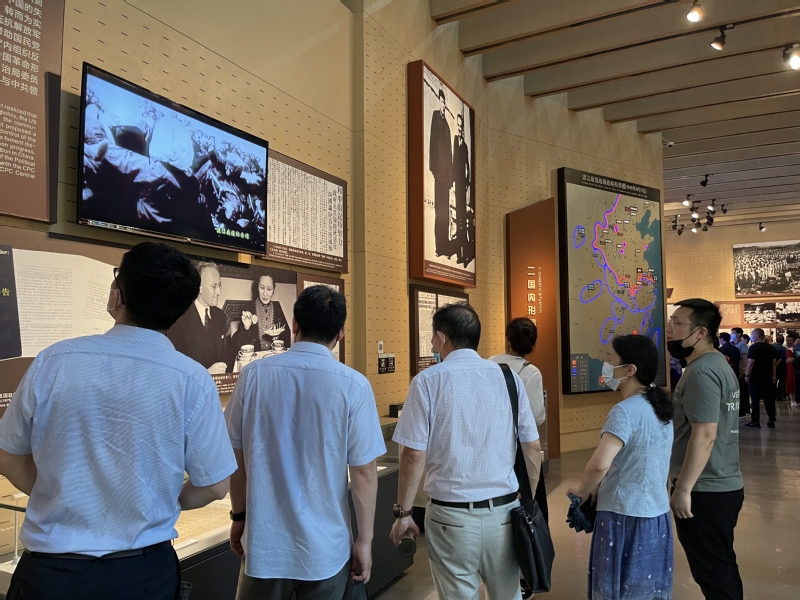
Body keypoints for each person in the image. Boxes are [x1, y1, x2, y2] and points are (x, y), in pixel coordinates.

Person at [0, 242, 237, 599]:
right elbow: (216, 487)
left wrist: (59, 495)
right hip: (142, 573)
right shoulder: (192, 379)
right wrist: (165, 502)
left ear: (116, 296)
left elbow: (8, 458)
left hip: (51, 573)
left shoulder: (54, 360)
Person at [225, 285, 386, 599]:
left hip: (264, 546)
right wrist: (364, 541)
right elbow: (364, 473)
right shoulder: (354, 385)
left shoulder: (253, 376)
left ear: (294, 324)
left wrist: (239, 517)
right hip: (327, 551)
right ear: (341, 333)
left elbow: (237, 457)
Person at [390, 303, 541, 600]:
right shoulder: (509, 378)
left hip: (450, 516)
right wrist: (529, 500)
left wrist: (404, 513)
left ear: (441, 338)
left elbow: (413, 455)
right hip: (505, 513)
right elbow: (532, 447)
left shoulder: (427, 381)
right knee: (508, 594)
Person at [568, 335, 674, 600]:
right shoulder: (659, 407)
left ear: (629, 370)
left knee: (617, 586)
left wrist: (582, 491)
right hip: (657, 513)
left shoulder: (625, 411)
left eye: (610, 359)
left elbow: (600, 464)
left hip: (622, 514)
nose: (605, 364)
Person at [668, 299, 744, 600]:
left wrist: (683, 489)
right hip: (720, 482)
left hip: (706, 489)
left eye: (677, 323)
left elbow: (705, 434)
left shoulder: (701, 371)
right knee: (719, 567)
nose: (670, 329)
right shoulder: (715, 364)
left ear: (700, 332)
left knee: (714, 574)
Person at [489, 317, 548, 521]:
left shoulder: (490, 363)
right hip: (519, 448)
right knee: (528, 507)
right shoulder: (531, 372)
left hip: (490, 443)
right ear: (533, 344)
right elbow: (537, 417)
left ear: (507, 340)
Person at [168, 261, 231, 374]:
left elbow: (224, 358)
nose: (218, 292)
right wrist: (206, 373)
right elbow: (176, 369)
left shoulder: (220, 316)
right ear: (199, 287)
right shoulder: (179, 318)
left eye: (219, 286)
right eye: (214, 286)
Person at [231, 274, 291, 355]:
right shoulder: (248, 308)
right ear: (257, 288)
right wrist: (246, 328)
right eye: (262, 288)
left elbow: (286, 338)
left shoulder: (277, 307)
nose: (265, 294)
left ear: (273, 290)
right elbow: (239, 346)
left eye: (269, 289)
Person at [429, 88, 453, 258]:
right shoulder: (436, 117)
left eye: (444, 102)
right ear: (439, 101)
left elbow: (449, 153)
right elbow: (432, 142)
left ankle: (445, 245)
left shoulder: (447, 126)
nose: (443, 104)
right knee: (439, 211)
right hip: (439, 173)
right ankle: (439, 247)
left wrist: (450, 177)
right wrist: (433, 167)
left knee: (445, 212)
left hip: (446, 176)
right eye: (441, 101)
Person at [744, 328, 778, 429]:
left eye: (752, 334)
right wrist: (774, 375)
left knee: (755, 399)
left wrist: (747, 375)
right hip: (767, 377)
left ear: (757, 336)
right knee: (769, 399)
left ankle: (755, 421)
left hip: (755, 377)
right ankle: (771, 420)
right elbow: (774, 362)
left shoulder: (753, 347)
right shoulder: (771, 348)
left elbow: (751, 362)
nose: (751, 336)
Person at [451, 112, 472, 267]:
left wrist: (467, 184)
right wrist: (453, 183)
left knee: (463, 220)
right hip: (457, 185)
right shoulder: (455, 141)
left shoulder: (465, 146)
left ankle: (464, 254)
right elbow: (454, 162)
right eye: (458, 126)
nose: (459, 129)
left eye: (461, 126)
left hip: (463, 186)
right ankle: (459, 254)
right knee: (458, 220)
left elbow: (467, 166)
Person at [731, 327, 750, 418]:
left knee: (742, 390)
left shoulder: (742, 344)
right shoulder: (732, 344)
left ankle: (744, 409)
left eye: (733, 333)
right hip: (734, 369)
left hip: (741, 370)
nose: (732, 334)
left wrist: (744, 369)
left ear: (739, 334)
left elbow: (744, 357)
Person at [773, 333, 788, 402]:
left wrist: (774, 366)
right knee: (781, 382)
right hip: (781, 367)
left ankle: (773, 395)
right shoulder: (784, 349)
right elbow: (781, 359)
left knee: (773, 381)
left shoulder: (772, 347)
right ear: (783, 341)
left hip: (772, 367)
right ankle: (779, 396)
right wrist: (776, 365)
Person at [787, 334, 797, 406]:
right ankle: (792, 400)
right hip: (790, 368)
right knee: (791, 383)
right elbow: (790, 360)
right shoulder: (789, 349)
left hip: (794, 367)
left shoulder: (794, 349)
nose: (789, 342)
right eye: (788, 340)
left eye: (790, 340)